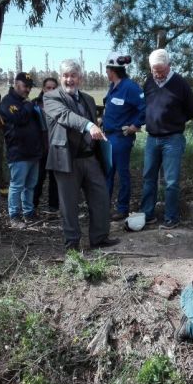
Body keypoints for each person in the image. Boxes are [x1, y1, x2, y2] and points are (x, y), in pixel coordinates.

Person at [42, 59, 120, 251]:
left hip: (90, 157)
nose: (69, 80)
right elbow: (66, 116)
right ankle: (72, 244)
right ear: (61, 77)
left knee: (101, 197)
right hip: (66, 159)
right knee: (69, 205)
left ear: (80, 78)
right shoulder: (51, 97)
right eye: (66, 76)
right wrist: (89, 125)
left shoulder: (89, 99)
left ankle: (99, 238)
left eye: (73, 75)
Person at [139, 49, 193, 229]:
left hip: (173, 138)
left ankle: (171, 217)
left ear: (169, 66)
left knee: (171, 181)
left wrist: (174, 122)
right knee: (148, 177)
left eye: (161, 70)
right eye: (155, 70)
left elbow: (192, 111)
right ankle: (147, 215)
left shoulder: (180, 84)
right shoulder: (148, 82)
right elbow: (145, 106)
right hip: (152, 138)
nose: (158, 74)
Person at [0, 71, 46, 229]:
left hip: (33, 152)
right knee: (17, 186)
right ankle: (14, 216)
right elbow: (19, 118)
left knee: (30, 185)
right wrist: (29, 105)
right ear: (16, 84)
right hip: (18, 152)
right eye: (25, 86)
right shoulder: (8, 102)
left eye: (29, 87)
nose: (27, 90)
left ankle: (29, 212)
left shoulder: (27, 103)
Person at [102, 52, 146, 221]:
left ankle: (122, 208)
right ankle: (103, 206)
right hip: (108, 136)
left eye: (107, 69)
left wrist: (136, 125)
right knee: (108, 173)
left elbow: (145, 108)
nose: (106, 72)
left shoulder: (130, 87)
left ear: (112, 70)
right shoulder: (113, 86)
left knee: (122, 173)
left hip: (121, 138)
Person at [34, 77, 60, 216]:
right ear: (43, 89)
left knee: (55, 179)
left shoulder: (62, 105)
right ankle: (32, 206)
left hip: (56, 147)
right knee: (38, 178)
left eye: (53, 88)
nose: (50, 90)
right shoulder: (35, 105)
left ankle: (54, 207)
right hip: (40, 148)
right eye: (48, 88)